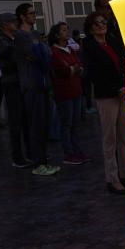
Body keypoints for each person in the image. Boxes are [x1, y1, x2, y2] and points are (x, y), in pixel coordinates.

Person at [81, 11, 125, 195]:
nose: (102, 25)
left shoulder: (114, 42)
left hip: (123, 93)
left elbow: (124, 64)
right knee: (110, 138)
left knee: (124, 138)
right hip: (107, 95)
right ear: (91, 28)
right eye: (97, 23)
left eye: (103, 22)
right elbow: (95, 73)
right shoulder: (90, 47)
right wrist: (117, 87)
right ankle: (112, 178)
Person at [15, 2, 58, 176]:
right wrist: (41, 52)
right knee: (35, 125)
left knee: (44, 124)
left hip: (43, 83)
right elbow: (36, 55)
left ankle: (43, 159)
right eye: (31, 13)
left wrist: (42, 52)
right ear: (22, 17)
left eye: (34, 13)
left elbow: (46, 53)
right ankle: (37, 162)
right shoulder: (21, 36)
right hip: (31, 85)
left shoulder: (34, 34)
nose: (34, 16)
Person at [48, 23, 86, 165]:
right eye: (63, 30)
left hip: (75, 89)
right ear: (57, 35)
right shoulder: (54, 52)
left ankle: (76, 149)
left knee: (75, 123)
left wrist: (73, 69)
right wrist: (72, 69)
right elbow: (63, 70)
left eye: (67, 29)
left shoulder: (70, 49)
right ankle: (68, 152)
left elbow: (77, 66)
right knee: (66, 123)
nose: (67, 32)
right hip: (64, 92)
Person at [0, 13, 29, 167]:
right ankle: (17, 157)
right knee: (16, 122)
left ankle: (28, 153)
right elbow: (15, 54)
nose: (16, 24)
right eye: (13, 22)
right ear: (5, 25)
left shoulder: (13, 40)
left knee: (25, 121)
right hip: (12, 84)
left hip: (21, 82)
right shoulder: (3, 42)